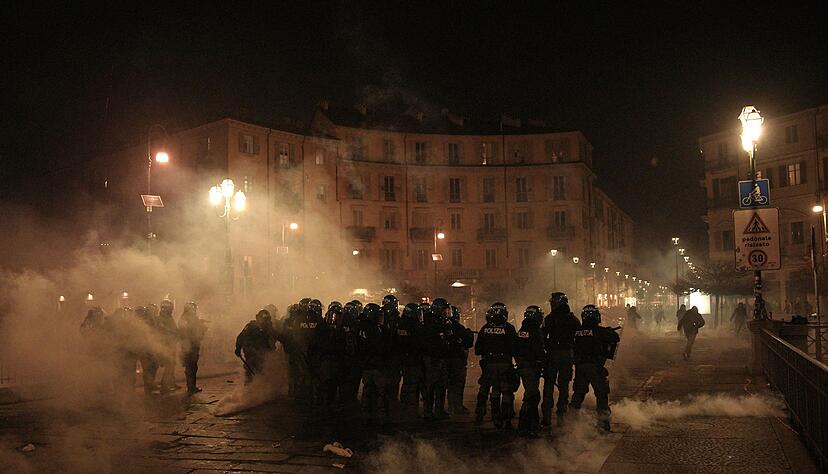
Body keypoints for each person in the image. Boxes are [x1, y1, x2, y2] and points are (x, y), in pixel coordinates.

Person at [570, 305, 620, 432]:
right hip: (595, 367)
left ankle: (570, 424)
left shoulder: (576, 332)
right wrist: (608, 331)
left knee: (578, 395)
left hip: (580, 367)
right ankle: (603, 425)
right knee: (602, 395)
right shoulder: (599, 331)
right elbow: (615, 337)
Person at [474, 302, 518, 430]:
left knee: (493, 390)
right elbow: (515, 348)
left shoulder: (485, 328)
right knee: (506, 391)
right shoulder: (509, 328)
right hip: (505, 363)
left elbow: (477, 350)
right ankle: (507, 418)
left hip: (489, 364)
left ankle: (494, 416)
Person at [541, 292, 580, 428]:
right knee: (564, 386)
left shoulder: (549, 318)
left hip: (552, 355)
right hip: (567, 355)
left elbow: (542, 337)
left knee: (549, 385)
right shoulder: (573, 319)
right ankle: (561, 415)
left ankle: (546, 416)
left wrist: (547, 348)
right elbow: (579, 338)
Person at [357, 303, 391, 426]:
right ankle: (380, 419)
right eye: (379, 315)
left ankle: (367, 418)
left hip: (367, 366)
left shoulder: (362, 327)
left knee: (367, 392)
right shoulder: (374, 330)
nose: (381, 318)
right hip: (376, 366)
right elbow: (380, 347)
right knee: (380, 393)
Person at [515, 305, 545, 437]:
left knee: (531, 394)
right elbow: (538, 350)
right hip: (531, 367)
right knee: (532, 396)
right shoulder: (535, 331)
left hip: (522, 366)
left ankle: (527, 425)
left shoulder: (521, 330)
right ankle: (528, 426)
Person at [419, 300, 450, 421]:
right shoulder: (431, 322)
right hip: (433, 359)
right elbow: (432, 342)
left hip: (438, 358)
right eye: (444, 310)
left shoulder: (436, 321)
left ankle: (438, 411)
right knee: (431, 386)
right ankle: (428, 412)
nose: (445, 312)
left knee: (441, 386)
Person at [444, 305, 474, 414]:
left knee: (448, 384)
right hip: (457, 360)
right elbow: (468, 343)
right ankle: (457, 406)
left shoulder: (443, 326)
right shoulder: (458, 327)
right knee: (457, 384)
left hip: (445, 360)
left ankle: (448, 406)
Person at [235, 309, 277, 383]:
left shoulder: (269, 328)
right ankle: (249, 390)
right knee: (250, 373)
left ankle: (261, 389)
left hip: (264, 355)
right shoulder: (251, 326)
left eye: (267, 319)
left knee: (263, 373)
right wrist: (238, 348)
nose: (265, 321)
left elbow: (274, 338)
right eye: (264, 319)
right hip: (251, 354)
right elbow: (241, 337)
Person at [396, 303, 424, 417]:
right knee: (413, 386)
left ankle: (404, 407)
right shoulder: (414, 326)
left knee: (407, 385)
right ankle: (411, 411)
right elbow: (417, 343)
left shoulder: (400, 323)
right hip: (413, 360)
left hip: (404, 359)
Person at [178, 302, 207, 395]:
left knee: (191, 366)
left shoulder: (185, 318)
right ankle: (191, 387)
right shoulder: (187, 319)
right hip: (190, 346)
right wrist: (201, 326)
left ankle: (191, 386)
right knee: (191, 366)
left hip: (190, 345)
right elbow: (191, 332)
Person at [381, 294, 402, 403]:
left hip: (384, 356)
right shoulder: (396, 319)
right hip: (392, 355)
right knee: (392, 380)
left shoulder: (380, 317)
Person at [134, 306, 159, 394]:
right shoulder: (138, 323)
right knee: (148, 369)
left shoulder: (148, 321)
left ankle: (150, 385)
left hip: (149, 348)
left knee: (152, 367)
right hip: (145, 349)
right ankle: (148, 388)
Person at [156, 299, 179, 393]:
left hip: (171, 344)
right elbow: (163, 331)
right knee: (169, 365)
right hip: (166, 345)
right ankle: (164, 386)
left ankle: (171, 383)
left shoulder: (169, 317)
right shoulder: (161, 318)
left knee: (172, 365)